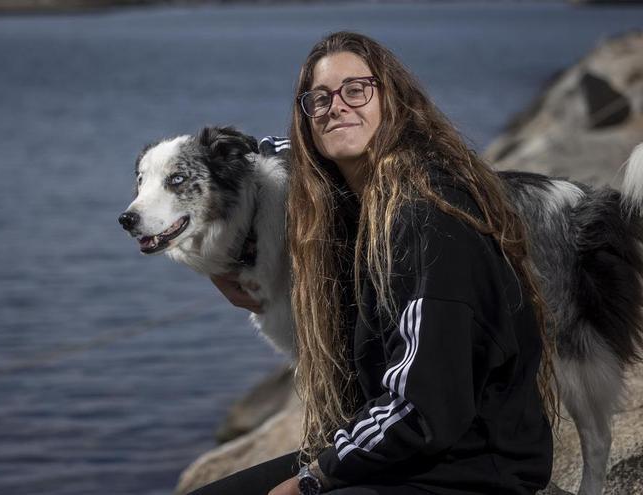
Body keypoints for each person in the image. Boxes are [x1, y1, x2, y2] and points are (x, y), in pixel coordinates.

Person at [201, 32, 555, 495]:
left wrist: (311, 479)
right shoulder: (357, 205)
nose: (336, 107)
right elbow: (260, 159)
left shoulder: (427, 218)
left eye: (356, 90)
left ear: (395, 103)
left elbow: (422, 404)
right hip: (406, 456)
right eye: (319, 98)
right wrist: (224, 265)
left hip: (466, 468)